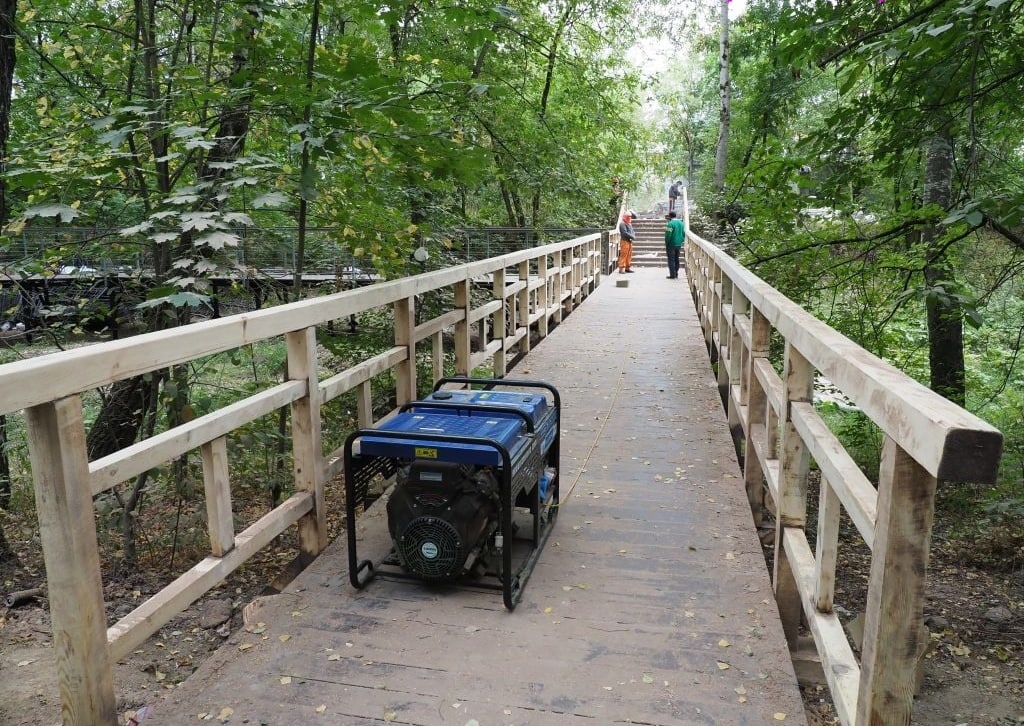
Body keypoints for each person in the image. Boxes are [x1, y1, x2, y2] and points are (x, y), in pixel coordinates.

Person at [664, 211, 685, 279]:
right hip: (678, 244)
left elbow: (668, 235)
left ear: (670, 216)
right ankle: (676, 273)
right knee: (676, 259)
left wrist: (666, 243)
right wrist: (682, 240)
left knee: (671, 259)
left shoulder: (670, 224)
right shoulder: (681, 223)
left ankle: (672, 275)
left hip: (671, 244)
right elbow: (683, 233)